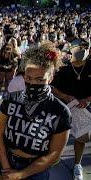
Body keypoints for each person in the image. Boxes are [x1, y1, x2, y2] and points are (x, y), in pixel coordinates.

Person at [0, 43, 72, 180]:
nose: (33, 84)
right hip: (6, 159)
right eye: (29, 78)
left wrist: (20, 175)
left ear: (51, 78)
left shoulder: (61, 111)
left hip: (36, 170)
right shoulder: (12, 98)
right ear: (24, 75)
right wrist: (6, 167)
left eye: (40, 79)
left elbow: (54, 153)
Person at [52, 41, 91, 180]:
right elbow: (53, 89)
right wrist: (67, 97)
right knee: (60, 135)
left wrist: (87, 99)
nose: (77, 64)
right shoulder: (65, 70)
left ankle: (77, 165)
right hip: (66, 107)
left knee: (82, 137)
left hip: (86, 108)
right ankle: (53, 157)